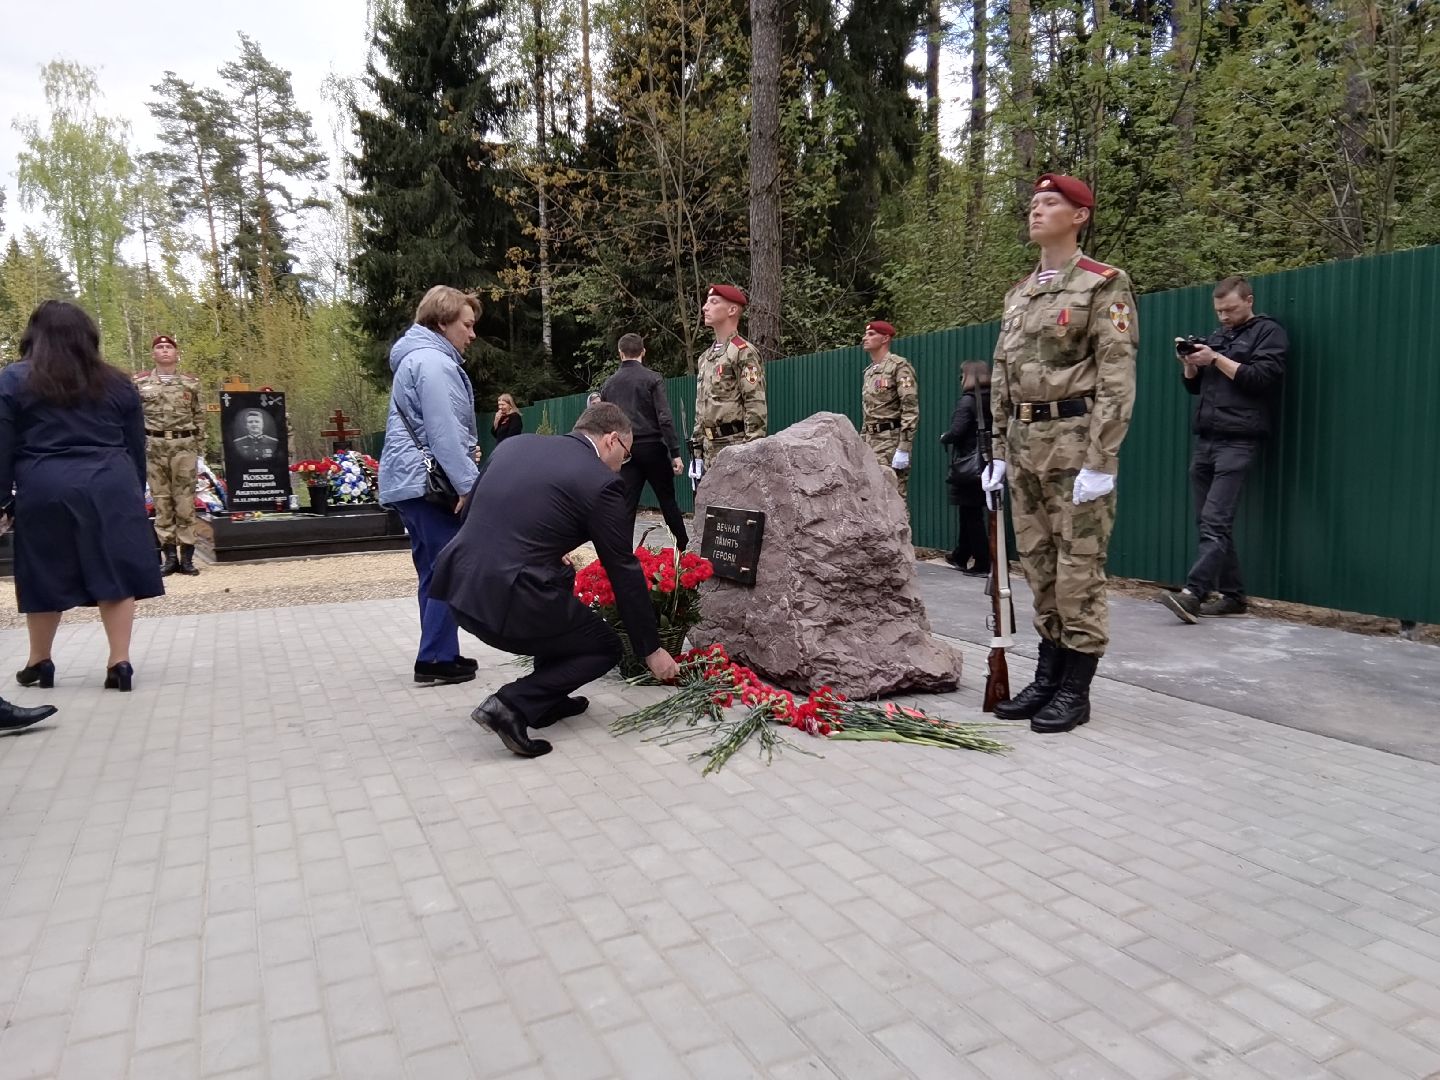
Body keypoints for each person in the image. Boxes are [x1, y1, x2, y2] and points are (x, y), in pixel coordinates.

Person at [429, 403, 680, 758]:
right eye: (626, 455)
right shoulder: (601, 481)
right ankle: (511, 705)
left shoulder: (514, 446)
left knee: (560, 577)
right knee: (605, 647)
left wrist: (545, 552)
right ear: (611, 440)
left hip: (458, 588)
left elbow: (471, 512)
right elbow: (622, 568)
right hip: (505, 603)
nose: (623, 465)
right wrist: (650, 650)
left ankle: (546, 702)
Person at [980, 174, 1137, 734]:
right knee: (1039, 565)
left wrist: (1102, 459)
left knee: (1079, 568)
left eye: (1050, 202)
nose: (1036, 210)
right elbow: (1002, 374)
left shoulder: (1103, 284)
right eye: (1033, 203)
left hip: (1075, 441)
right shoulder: (1019, 294)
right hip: (1024, 443)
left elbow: (1116, 377)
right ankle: (1047, 676)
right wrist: (998, 451)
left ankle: (1076, 688)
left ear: (1079, 216)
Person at [0, 301, 166, 697]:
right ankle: (119, 662)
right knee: (115, 569)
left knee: (43, 569)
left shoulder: (13, 379)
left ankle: (40, 661)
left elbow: (2, 443)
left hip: (45, 483)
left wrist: (3, 499)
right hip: (110, 482)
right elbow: (135, 444)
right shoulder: (117, 382)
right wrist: (132, 490)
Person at [1161, 277, 1288, 623]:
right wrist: (1190, 363)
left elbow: (1261, 378)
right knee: (1207, 520)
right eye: (1219, 311)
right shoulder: (1219, 336)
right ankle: (1233, 596)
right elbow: (1194, 388)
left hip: (1239, 438)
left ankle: (1193, 594)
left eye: (1230, 309)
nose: (1223, 316)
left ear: (1249, 300)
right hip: (1206, 437)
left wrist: (1216, 358)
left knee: (1215, 521)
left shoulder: (1268, 332)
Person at [378, 285, 483, 686]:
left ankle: (440, 652)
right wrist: (468, 486)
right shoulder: (434, 364)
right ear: (442, 323)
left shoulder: (416, 359)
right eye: (466, 325)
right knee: (450, 567)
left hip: (411, 483)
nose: (471, 334)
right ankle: (436, 658)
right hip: (429, 485)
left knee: (433, 569)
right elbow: (443, 433)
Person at [600, 333, 689, 548]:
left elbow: (604, 421)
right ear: (643, 352)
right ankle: (683, 549)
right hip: (653, 448)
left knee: (626, 505)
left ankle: (621, 554)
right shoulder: (652, 379)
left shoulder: (609, 385)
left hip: (624, 451)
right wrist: (675, 452)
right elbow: (664, 418)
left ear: (620, 353)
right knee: (667, 501)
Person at [135, 333, 204, 576]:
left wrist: (199, 450)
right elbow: (134, 416)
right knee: (162, 501)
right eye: (160, 347)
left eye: (168, 347)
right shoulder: (140, 383)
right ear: (153, 354)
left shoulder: (190, 383)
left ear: (176, 353)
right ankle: (169, 557)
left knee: (185, 502)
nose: (164, 350)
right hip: (154, 446)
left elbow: (198, 416)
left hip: (183, 446)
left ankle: (187, 558)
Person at [692, 284, 766, 465]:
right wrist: (697, 452)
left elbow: (754, 402)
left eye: (713, 302)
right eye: (706, 302)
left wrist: (751, 451)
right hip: (709, 449)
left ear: (732, 310)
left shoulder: (743, 352)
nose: (705, 307)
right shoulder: (705, 358)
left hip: (734, 447)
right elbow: (701, 407)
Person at [940, 361, 991, 576]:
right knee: (969, 511)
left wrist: (945, 437)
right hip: (990, 462)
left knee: (972, 515)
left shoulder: (968, 401)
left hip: (970, 464)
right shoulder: (993, 399)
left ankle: (982, 562)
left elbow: (957, 431)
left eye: (962, 376)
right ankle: (961, 555)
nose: (961, 379)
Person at [859, 320, 920, 499]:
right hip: (870, 441)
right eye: (866, 334)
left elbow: (910, 408)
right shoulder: (869, 372)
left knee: (893, 498)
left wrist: (904, 447)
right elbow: (869, 412)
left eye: (871, 334)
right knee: (872, 498)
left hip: (890, 442)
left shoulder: (899, 366)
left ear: (885, 338)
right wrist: (862, 442)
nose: (865, 338)